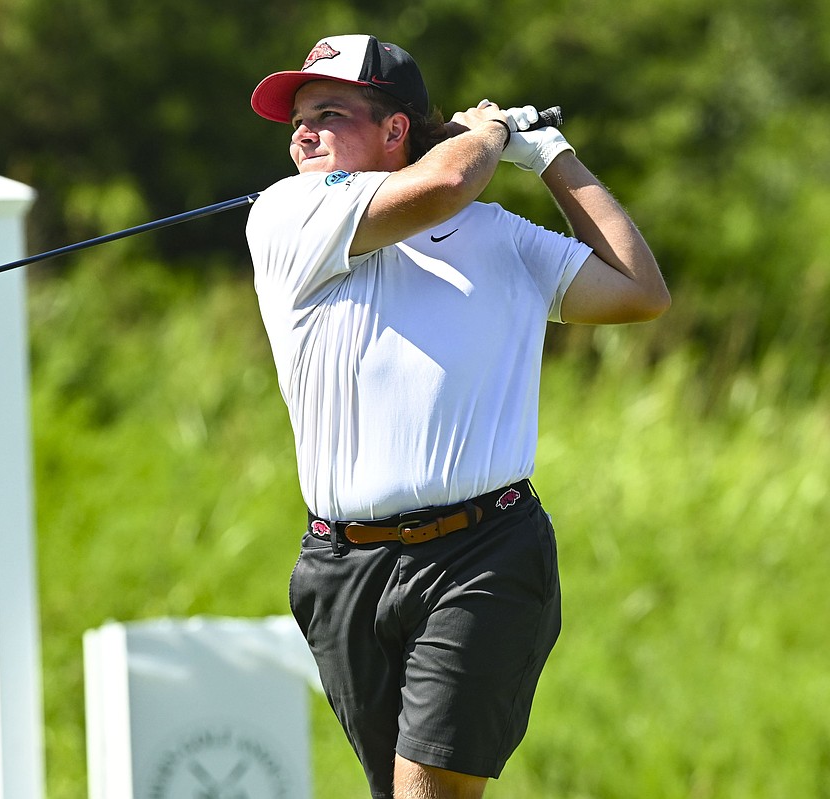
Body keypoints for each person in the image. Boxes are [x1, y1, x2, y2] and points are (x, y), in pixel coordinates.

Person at [245, 34, 669, 799]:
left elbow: (638, 290)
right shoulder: (287, 212)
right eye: (297, 119)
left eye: (328, 113)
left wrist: (552, 158)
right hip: (341, 567)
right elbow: (440, 188)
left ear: (396, 129)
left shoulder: (499, 235)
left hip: (484, 553)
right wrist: (489, 135)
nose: (302, 133)